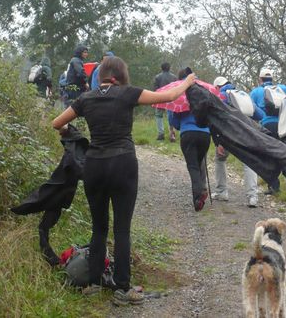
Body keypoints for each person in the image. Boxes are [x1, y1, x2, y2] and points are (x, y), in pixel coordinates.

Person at [51, 56, 196, 305]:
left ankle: (94, 284)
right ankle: (122, 288)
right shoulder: (128, 93)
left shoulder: (86, 98)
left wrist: (69, 133)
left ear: (101, 76)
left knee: (98, 227)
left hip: (94, 166)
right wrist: (187, 81)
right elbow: (169, 97)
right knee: (122, 228)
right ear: (119, 75)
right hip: (123, 164)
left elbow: (57, 123)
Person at [211, 76, 262, 208]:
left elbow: (217, 118)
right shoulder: (243, 95)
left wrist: (218, 142)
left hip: (229, 134)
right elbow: (260, 115)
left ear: (217, 87)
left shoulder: (221, 96)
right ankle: (253, 197)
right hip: (246, 133)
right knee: (249, 163)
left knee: (220, 159)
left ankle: (222, 192)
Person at [171, 69, 211, 212]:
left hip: (188, 134)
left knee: (192, 166)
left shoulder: (180, 94)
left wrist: (181, 125)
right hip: (205, 134)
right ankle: (202, 189)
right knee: (199, 162)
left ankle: (198, 197)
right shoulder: (204, 93)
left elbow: (174, 122)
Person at [249, 68, 286, 194]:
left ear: (260, 79)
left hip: (266, 125)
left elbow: (251, 109)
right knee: (281, 150)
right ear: (272, 79)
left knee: (268, 155)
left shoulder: (256, 91)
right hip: (282, 125)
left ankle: (273, 186)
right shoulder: (282, 88)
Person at [153, 62, 178, 142]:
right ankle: (172, 134)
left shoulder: (157, 77)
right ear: (169, 68)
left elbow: (155, 89)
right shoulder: (174, 77)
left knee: (158, 116)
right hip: (171, 99)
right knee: (171, 116)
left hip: (160, 98)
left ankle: (161, 133)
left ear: (161, 68)